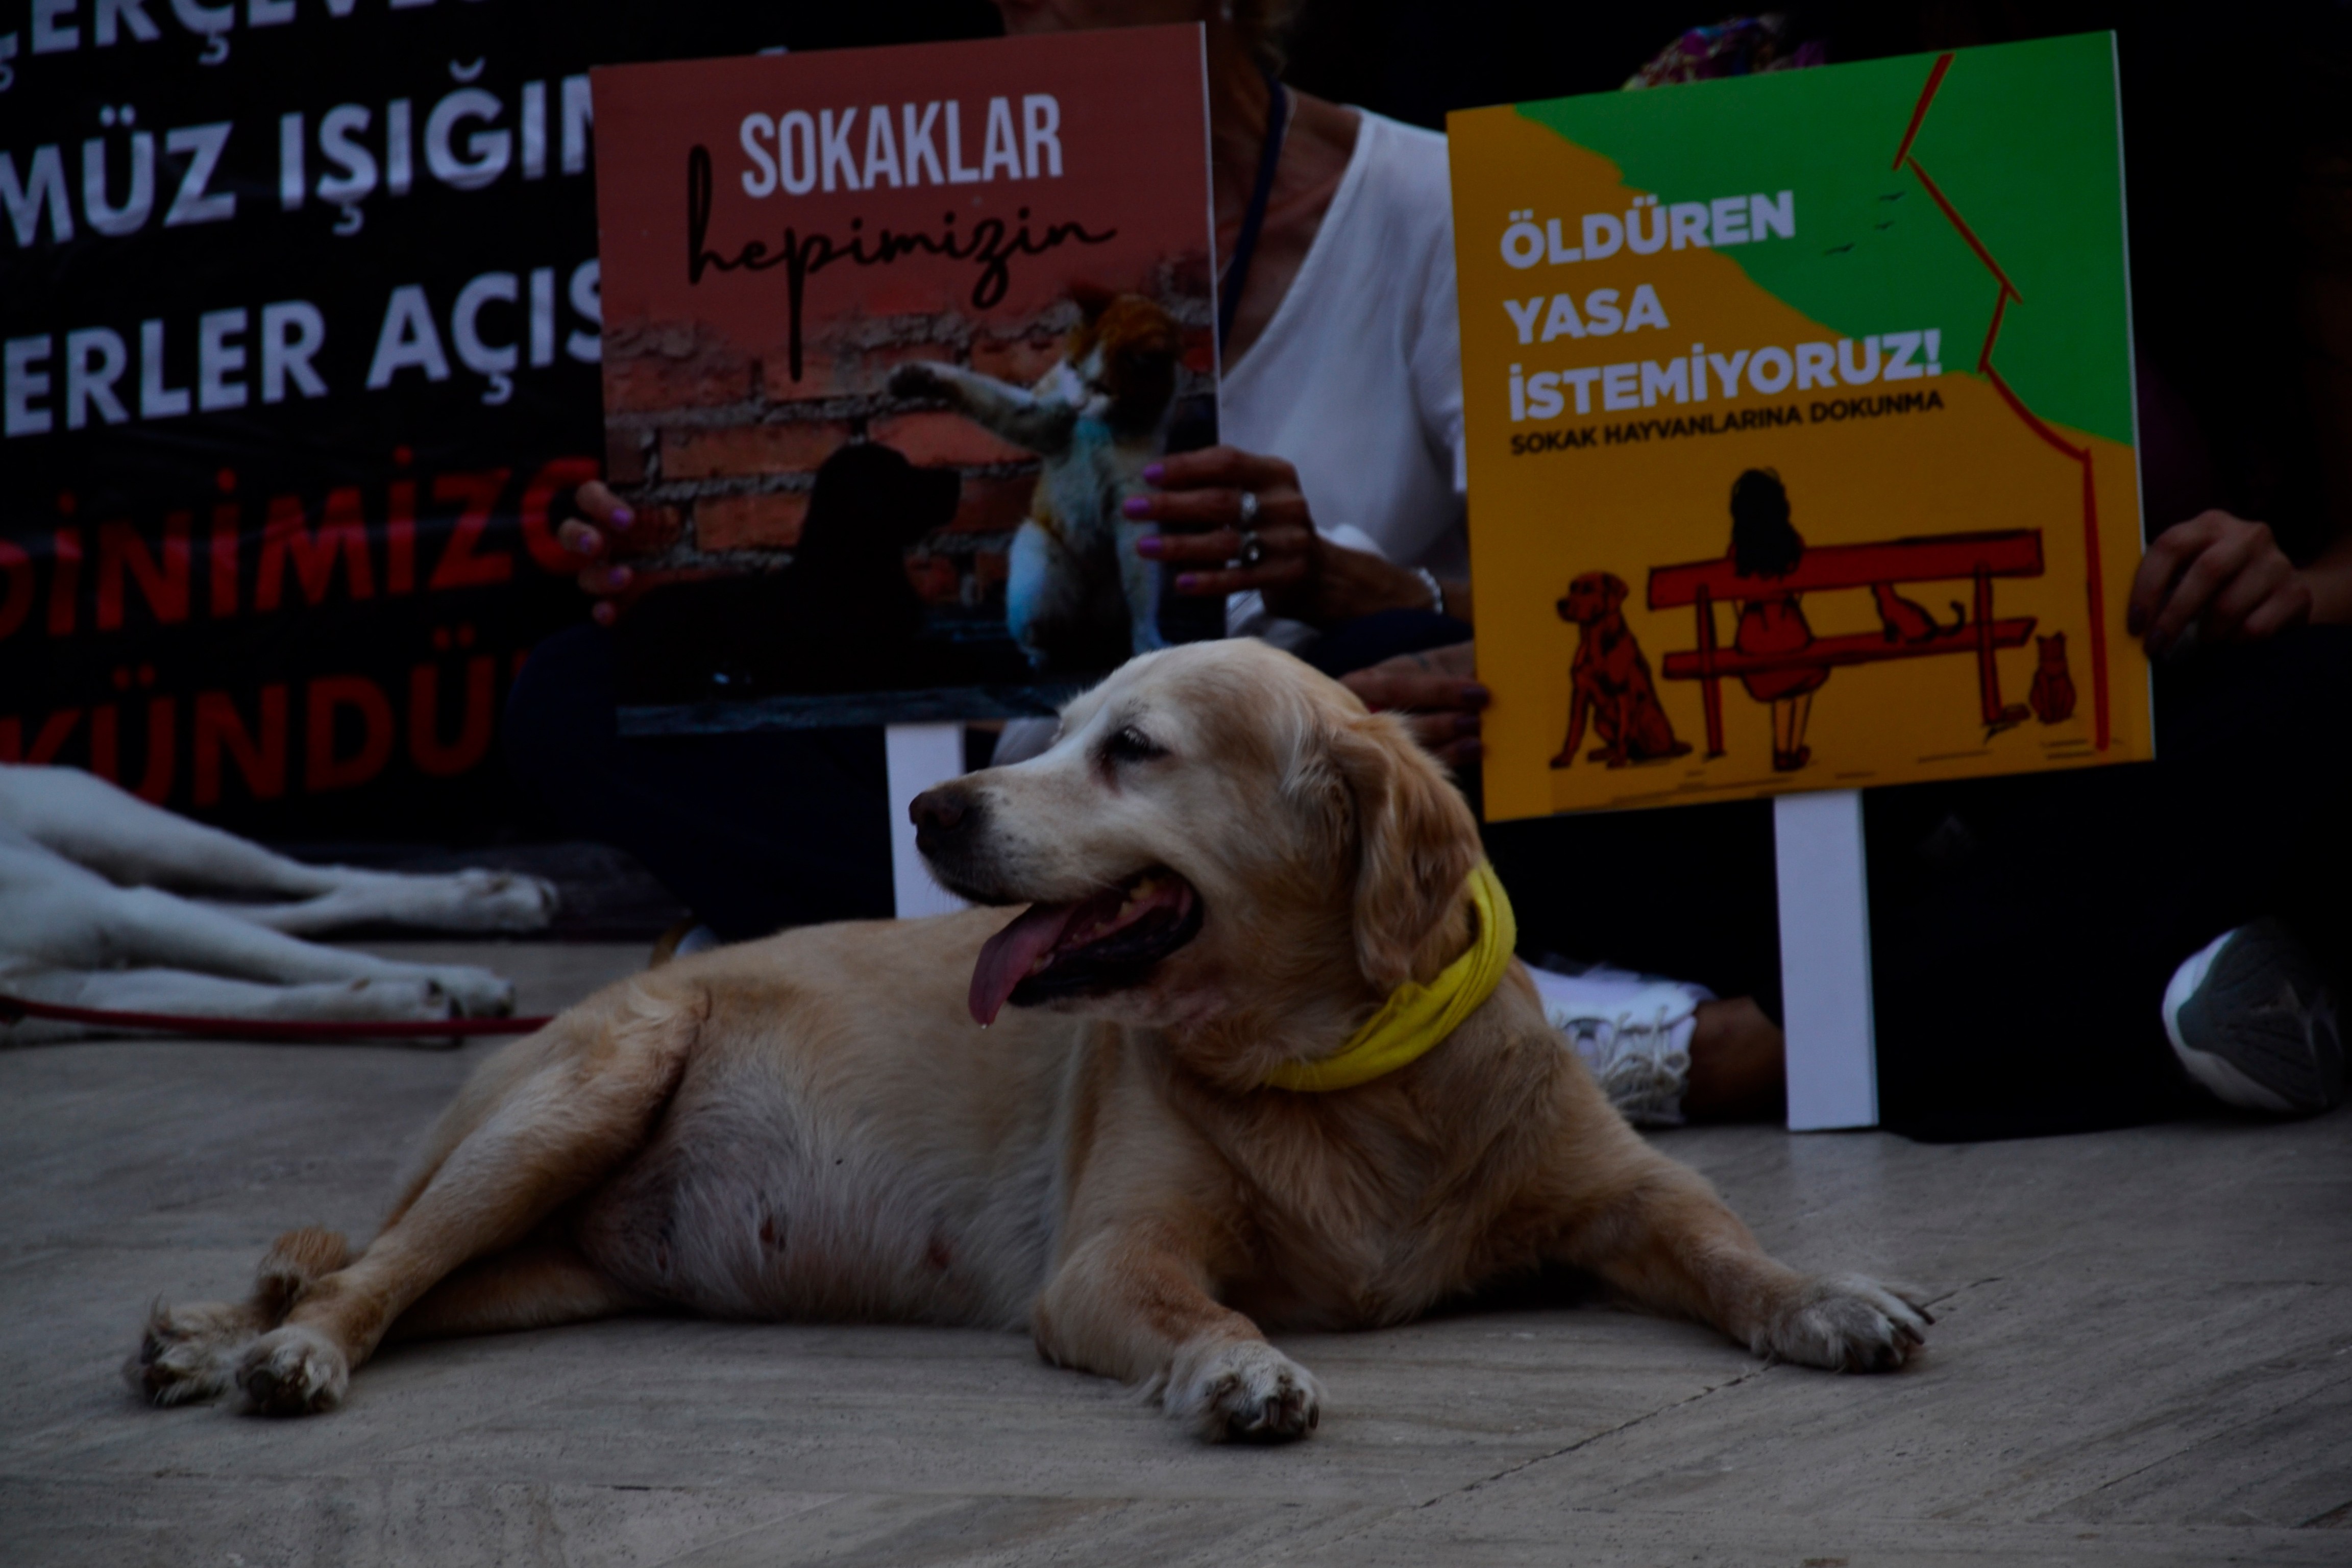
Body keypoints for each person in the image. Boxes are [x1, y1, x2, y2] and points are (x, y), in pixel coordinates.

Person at [511, 0, 1782, 1124]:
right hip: (1020, 765)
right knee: (575, 692)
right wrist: (674, 567)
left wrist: (1361, 590)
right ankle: (1499, 1017)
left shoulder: (1429, 203)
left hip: (1294, 769)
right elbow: (905, 585)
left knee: (1406, 684)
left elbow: (1590, 597)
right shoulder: (951, 212)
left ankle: (837, 958)